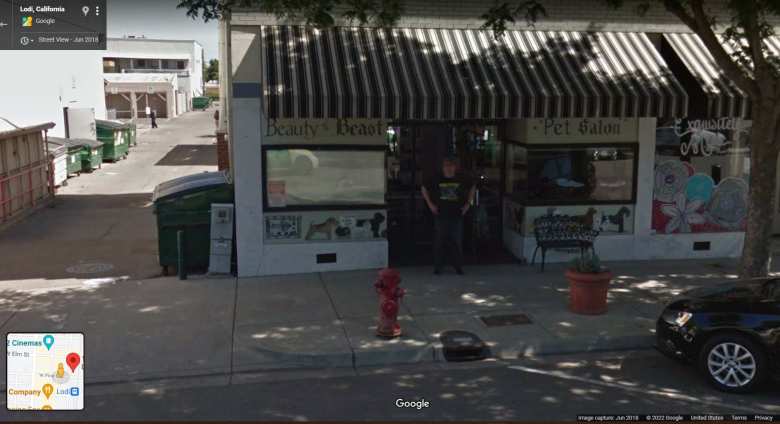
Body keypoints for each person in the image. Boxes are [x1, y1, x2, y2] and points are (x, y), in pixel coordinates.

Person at [422, 156, 475, 275]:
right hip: (440, 214)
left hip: (456, 214)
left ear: (455, 167)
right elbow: (424, 188)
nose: (448, 169)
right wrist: (430, 204)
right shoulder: (436, 177)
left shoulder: (461, 177)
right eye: (446, 166)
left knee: (456, 241)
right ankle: (438, 266)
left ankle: (458, 266)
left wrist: (468, 204)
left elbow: (472, 186)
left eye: (451, 166)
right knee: (439, 241)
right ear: (443, 167)